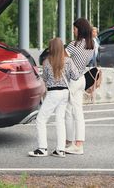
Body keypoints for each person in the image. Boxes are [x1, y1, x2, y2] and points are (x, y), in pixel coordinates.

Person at [28, 38, 79, 157]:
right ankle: (60, 150)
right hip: (65, 93)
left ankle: (42, 148)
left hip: (53, 93)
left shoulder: (47, 62)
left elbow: (44, 79)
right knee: (60, 120)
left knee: (41, 119)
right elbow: (75, 76)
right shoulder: (68, 61)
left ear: (51, 48)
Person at [64, 18, 95, 155]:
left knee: (69, 112)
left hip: (72, 80)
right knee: (76, 112)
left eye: (74, 28)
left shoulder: (74, 45)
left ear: (80, 29)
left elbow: (62, 60)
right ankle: (76, 143)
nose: (73, 30)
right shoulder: (91, 44)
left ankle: (71, 143)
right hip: (81, 78)